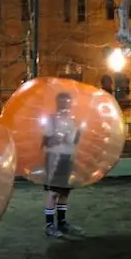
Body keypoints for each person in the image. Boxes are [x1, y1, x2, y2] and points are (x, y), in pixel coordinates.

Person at [42, 92, 84, 238]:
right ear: (57, 103)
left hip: (68, 158)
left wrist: (74, 132)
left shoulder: (73, 121)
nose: (65, 105)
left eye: (67, 102)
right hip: (54, 158)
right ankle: (49, 225)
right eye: (62, 102)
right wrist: (58, 136)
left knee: (65, 191)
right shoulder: (51, 119)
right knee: (53, 192)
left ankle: (62, 222)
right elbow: (46, 141)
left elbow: (74, 141)